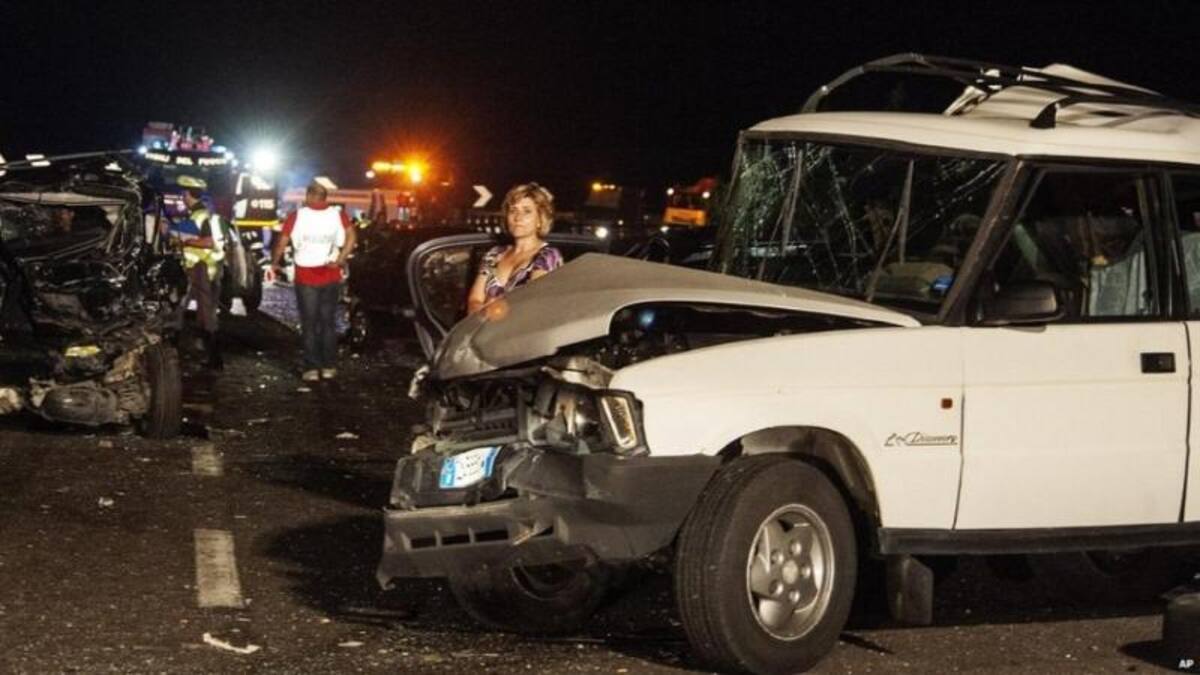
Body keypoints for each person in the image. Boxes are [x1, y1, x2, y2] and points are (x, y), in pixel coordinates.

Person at [269, 182, 356, 382]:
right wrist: (341, 259)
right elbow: (351, 237)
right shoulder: (338, 215)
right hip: (330, 273)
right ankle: (329, 367)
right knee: (327, 322)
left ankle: (311, 368)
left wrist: (274, 263)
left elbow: (282, 241)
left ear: (309, 196)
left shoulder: (298, 216)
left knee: (309, 323)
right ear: (325, 197)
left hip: (306, 274)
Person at [467, 183, 563, 314]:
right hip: (485, 332)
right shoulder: (494, 254)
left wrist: (490, 310)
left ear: (540, 220)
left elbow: (531, 306)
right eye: (513, 210)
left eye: (527, 211)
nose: (518, 218)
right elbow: (474, 300)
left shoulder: (547, 256)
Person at [168, 176, 225, 369]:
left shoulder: (201, 216)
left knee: (205, 315)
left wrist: (183, 241)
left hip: (202, 269)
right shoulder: (196, 214)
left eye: (183, 193)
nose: (182, 197)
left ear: (187, 194)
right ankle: (203, 356)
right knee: (184, 309)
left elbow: (209, 242)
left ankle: (214, 359)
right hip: (196, 269)